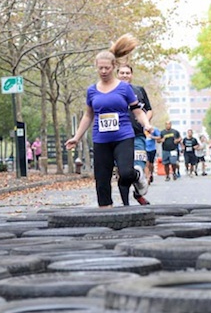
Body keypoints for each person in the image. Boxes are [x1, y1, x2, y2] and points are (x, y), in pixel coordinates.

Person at [65, 34, 151, 208]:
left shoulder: (124, 88)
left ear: (114, 67)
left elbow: (137, 111)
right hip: (101, 139)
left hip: (123, 137)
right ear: (96, 68)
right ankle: (106, 213)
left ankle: (138, 176)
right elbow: (88, 115)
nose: (103, 71)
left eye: (107, 68)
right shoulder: (91, 91)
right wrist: (77, 137)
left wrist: (146, 124)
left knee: (126, 173)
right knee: (102, 181)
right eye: (100, 68)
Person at [117, 63, 152, 205]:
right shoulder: (111, 91)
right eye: (122, 73)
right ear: (117, 74)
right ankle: (126, 204)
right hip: (118, 137)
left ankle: (138, 194)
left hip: (137, 135)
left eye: (127, 73)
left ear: (131, 75)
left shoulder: (139, 90)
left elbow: (149, 110)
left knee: (138, 167)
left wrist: (145, 122)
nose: (125, 75)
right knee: (123, 171)